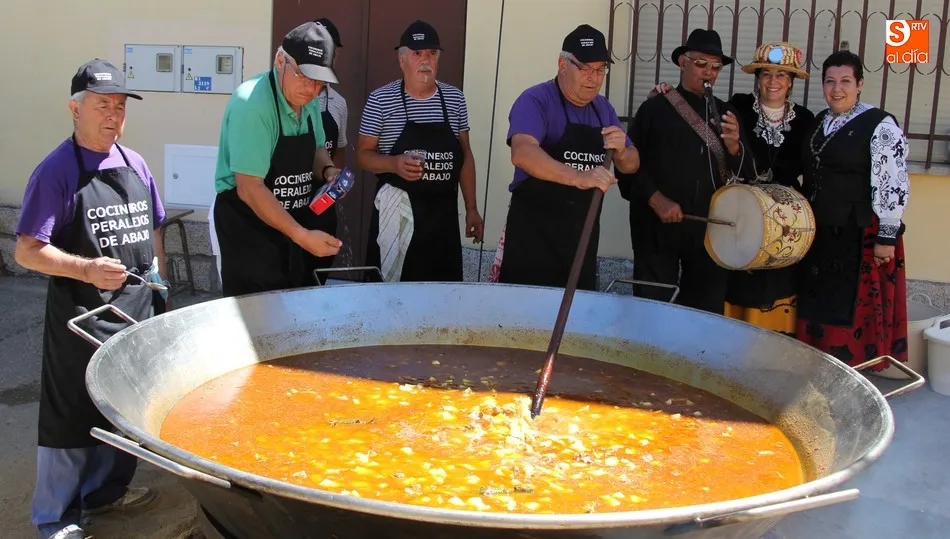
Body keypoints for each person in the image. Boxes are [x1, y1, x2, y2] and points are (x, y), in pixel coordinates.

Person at [14, 59, 165, 539]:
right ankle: (56, 518)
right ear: (74, 109)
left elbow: (154, 226)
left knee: (124, 413)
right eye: (103, 105)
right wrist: (84, 268)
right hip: (84, 316)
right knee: (72, 417)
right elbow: (26, 251)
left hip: (136, 312)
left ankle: (105, 495)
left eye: (120, 107)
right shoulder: (56, 171)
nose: (113, 116)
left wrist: (159, 279)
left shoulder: (135, 163)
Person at [646, 41, 815, 334]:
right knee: (733, 276)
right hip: (742, 211)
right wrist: (667, 94)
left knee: (777, 277)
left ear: (791, 82)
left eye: (781, 75)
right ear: (757, 78)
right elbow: (697, 117)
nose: (773, 81)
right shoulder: (735, 108)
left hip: (782, 219)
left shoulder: (806, 120)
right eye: (766, 74)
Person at [617, 28, 754, 314]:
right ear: (683, 63)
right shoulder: (654, 109)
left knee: (704, 313)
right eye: (702, 64)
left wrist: (734, 147)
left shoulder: (727, 114)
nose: (709, 73)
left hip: (709, 231)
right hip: (656, 226)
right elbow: (628, 166)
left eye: (716, 67)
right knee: (652, 306)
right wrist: (656, 199)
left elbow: (748, 175)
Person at [493, 24, 639, 291]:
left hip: (581, 237)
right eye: (584, 68)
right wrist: (580, 177)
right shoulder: (536, 100)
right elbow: (522, 152)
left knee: (575, 320)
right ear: (562, 64)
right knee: (524, 318)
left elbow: (631, 164)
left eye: (600, 70)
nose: (594, 78)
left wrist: (622, 150)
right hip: (533, 236)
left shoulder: (603, 109)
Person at [796, 50, 910, 371]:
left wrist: (887, 235)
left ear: (859, 84)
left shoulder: (880, 124)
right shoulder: (820, 121)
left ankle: (851, 378)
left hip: (860, 234)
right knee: (820, 301)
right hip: (821, 232)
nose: (837, 89)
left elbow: (893, 180)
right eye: (830, 81)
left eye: (845, 81)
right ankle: (817, 372)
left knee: (849, 310)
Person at [212, 22, 343, 297]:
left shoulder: (309, 100)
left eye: (320, 81)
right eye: (304, 76)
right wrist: (302, 236)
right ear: (280, 60)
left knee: (296, 308)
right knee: (255, 319)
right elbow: (249, 188)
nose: (311, 88)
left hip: (293, 221)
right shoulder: (253, 105)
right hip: (248, 226)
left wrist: (328, 170)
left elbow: (317, 148)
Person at [357, 19, 484, 283]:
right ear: (402, 59)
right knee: (390, 299)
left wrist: (471, 207)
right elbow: (363, 156)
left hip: (443, 217)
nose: (425, 60)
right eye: (417, 54)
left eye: (431, 53)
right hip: (398, 215)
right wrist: (394, 164)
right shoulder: (380, 100)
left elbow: (465, 157)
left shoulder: (454, 99)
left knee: (442, 297)